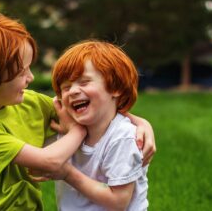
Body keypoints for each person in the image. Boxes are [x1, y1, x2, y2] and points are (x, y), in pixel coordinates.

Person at [0, 12, 156, 210]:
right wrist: (77, 131)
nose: (30, 78)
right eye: (21, 73)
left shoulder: (26, 102)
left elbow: (88, 107)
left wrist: (140, 123)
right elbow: (50, 161)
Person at [39, 40, 149, 210]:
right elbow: (37, 159)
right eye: (66, 88)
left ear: (115, 87)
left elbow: (119, 202)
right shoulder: (69, 132)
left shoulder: (122, 136)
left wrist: (67, 173)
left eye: (84, 82)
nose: (73, 91)